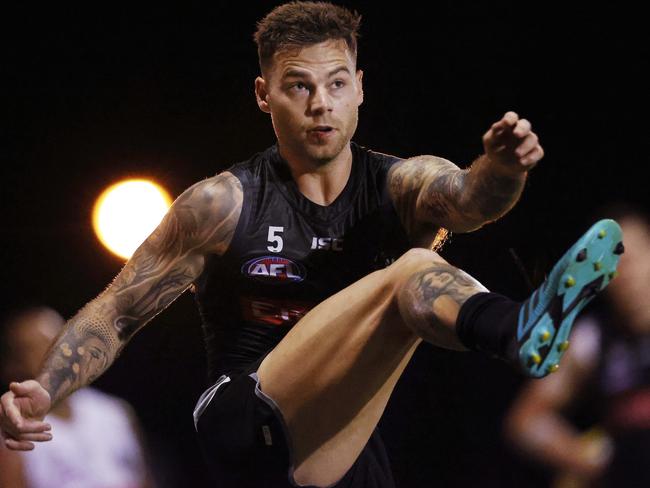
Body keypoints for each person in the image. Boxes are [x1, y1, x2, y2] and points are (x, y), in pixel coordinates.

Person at [0, 2, 623, 487]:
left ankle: (524, 330)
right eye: (297, 85)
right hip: (248, 421)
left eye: (335, 83)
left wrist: (504, 169)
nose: (319, 104)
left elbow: (467, 200)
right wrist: (46, 388)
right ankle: (520, 330)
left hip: (342, 442)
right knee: (414, 269)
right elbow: (117, 310)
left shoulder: (400, 185)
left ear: (359, 87)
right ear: (263, 95)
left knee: (415, 277)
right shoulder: (222, 203)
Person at [504, 204, 650, 488]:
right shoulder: (593, 339)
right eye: (618, 262)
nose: (629, 273)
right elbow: (526, 422)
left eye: (637, 258)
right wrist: (600, 461)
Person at [0, 306, 154, 488]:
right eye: (37, 348)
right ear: (14, 366)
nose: (56, 353)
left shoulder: (116, 412)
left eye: (59, 339)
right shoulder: (13, 435)